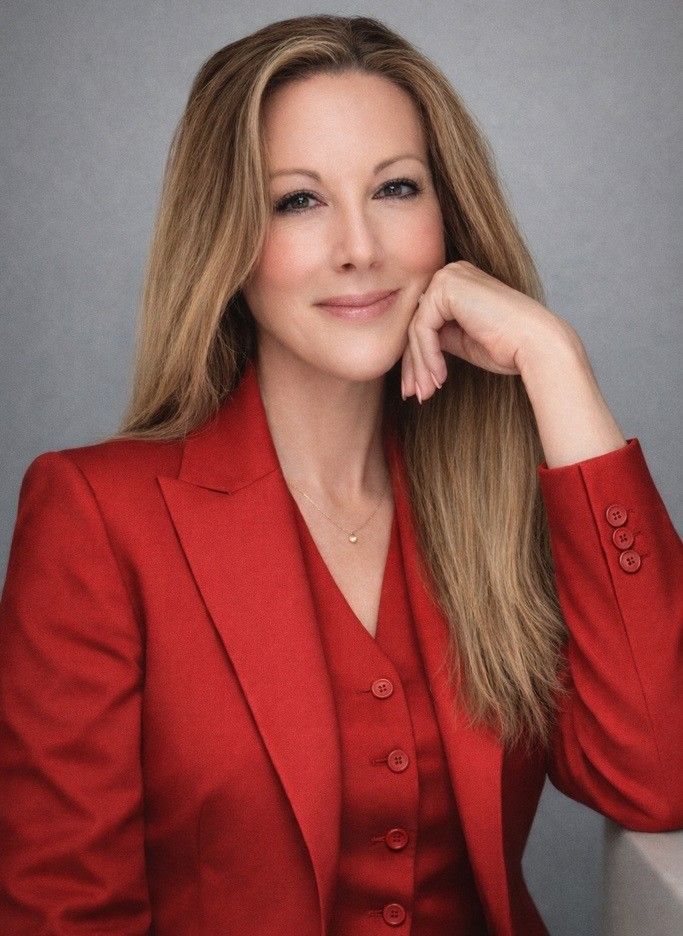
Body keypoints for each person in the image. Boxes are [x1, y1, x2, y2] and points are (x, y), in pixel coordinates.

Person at [0, 13, 681, 936]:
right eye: (298, 201)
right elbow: (63, 910)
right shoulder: (95, 516)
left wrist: (555, 361)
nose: (359, 247)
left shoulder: (496, 508)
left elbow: (659, 771)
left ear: (447, 216)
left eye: (395, 188)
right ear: (228, 239)